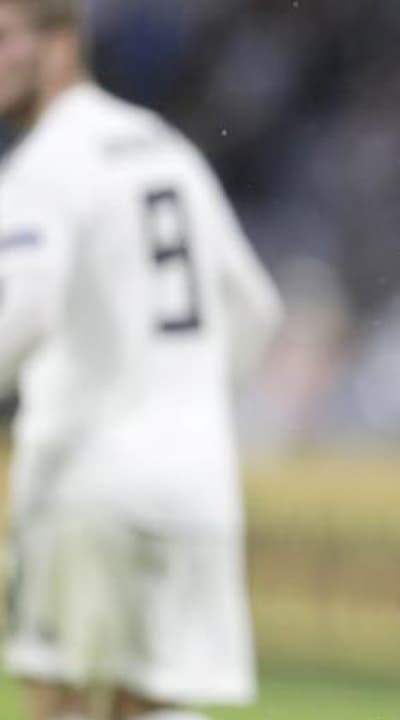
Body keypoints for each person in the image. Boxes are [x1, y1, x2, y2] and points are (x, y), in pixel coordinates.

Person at [0, 1, 282, 719]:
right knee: (151, 705)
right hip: (194, 480)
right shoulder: (164, 147)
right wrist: (183, 402)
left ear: (61, 45)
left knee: (59, 699)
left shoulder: (45, 163)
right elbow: (256, 306)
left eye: (2, 39)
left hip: (84, 477)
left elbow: (23, 309)